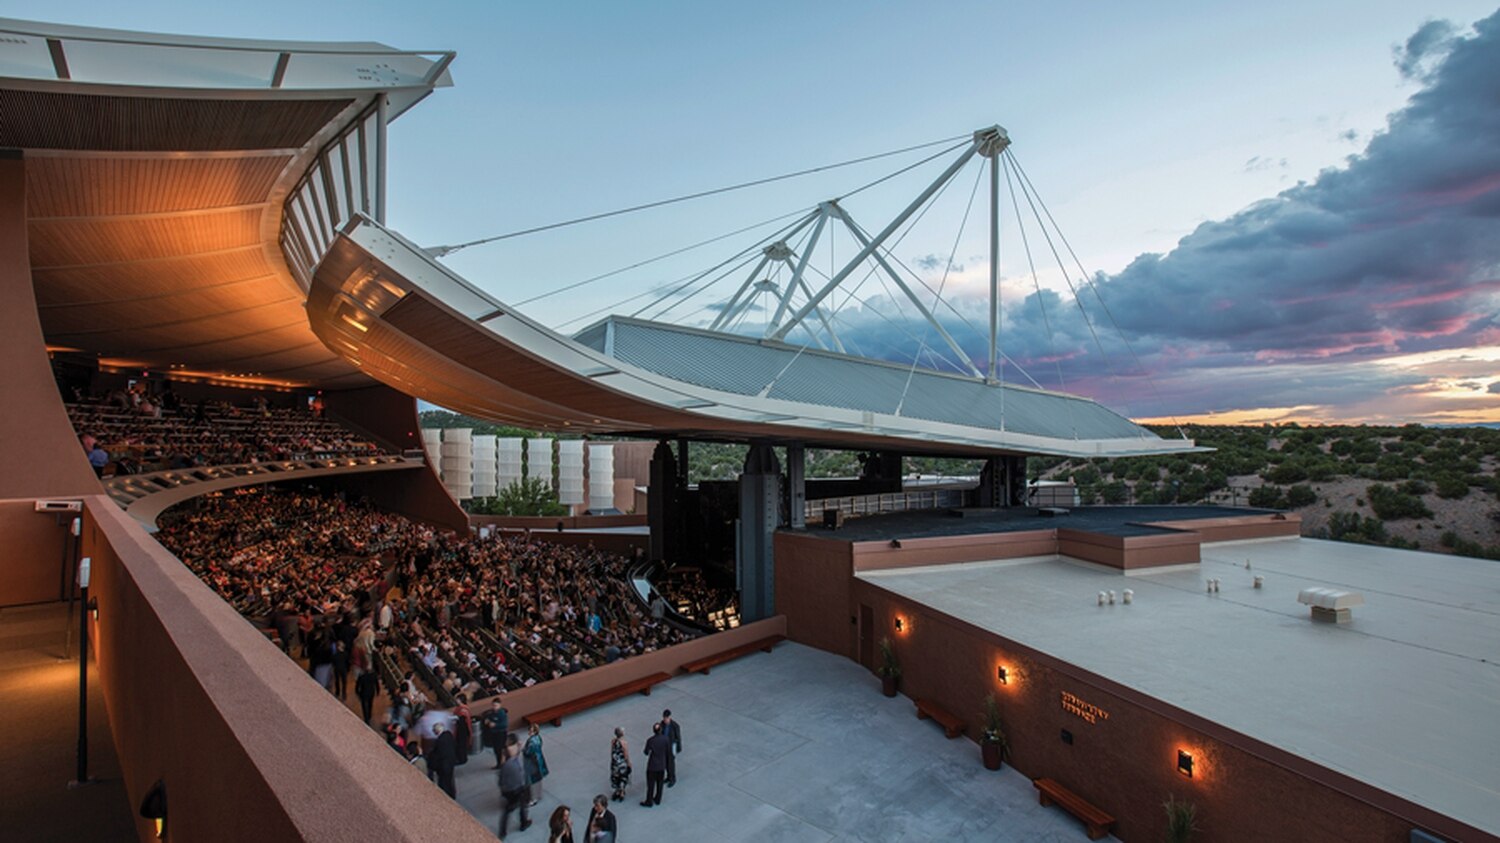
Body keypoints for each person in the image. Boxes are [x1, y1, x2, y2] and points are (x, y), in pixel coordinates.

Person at [497, 738, 531, 837]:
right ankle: (523, 823)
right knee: (522, 806)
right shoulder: (511, 764)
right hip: (516, 790)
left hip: (508, 791)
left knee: (508, 810)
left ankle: (503, 831)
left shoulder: (506, 764)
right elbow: (520, 777)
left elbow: (500, 781)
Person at [641, 722, 669, 807]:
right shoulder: (666, 739)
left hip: (652, 766)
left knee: (651, 784)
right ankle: (658, 799)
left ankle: (649, 801)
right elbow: (668, 751)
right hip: (661, 765)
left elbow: (646, 752)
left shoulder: (650, 740)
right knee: (660, 783)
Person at [428, 720, 458, 798]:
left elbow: (438, 755)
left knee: (444, 783)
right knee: (450, 781)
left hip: (444, 766)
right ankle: (452, 794)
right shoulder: (449, 734)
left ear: (436, 731)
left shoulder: (439, 742)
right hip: (451, 762)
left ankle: (448, 797)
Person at [524, 723, 549, 806]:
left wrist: (523, 751)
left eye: (530, 731)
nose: (529, 732)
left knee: (532, 781)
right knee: (538, 780)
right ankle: (538, 795)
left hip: (532, 763)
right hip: (538, 761)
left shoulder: (532, 742)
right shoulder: (538, 739)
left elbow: (527, 752)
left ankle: (533, 799)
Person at [481, 699, 510, 769]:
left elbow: (505, 724)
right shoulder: (492, 713)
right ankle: (499, 763)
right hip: (494, 733)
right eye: (493, 705)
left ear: (500, 705)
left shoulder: (502, 714)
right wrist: (487, 720)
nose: (494, 707)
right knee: (496, 749)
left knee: (501, 749)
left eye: (496, 705)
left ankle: (504, 763)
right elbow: (489, 718)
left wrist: (495, 725)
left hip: (500, 733)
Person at [658, 709, 682, 787]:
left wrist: (678, 748)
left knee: (671, 764)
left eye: (666, 718)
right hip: (664, 747)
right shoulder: (662, 724)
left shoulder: (675, 726)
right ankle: (668, 777)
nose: (665, 720)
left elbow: (678, 737)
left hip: (671, 746)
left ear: (669, 717)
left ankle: (672, 778)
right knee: (665, 763)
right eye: (664, 718)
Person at [609, 727, 631, 802]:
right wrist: (629, 763)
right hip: (622, 764)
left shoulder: (613, 741)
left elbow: (612, 751)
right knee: (623, 777)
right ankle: (622, 792)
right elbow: (626, 754)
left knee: (615, 777)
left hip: (615, 763)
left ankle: (617, 791)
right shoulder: (624, 743)